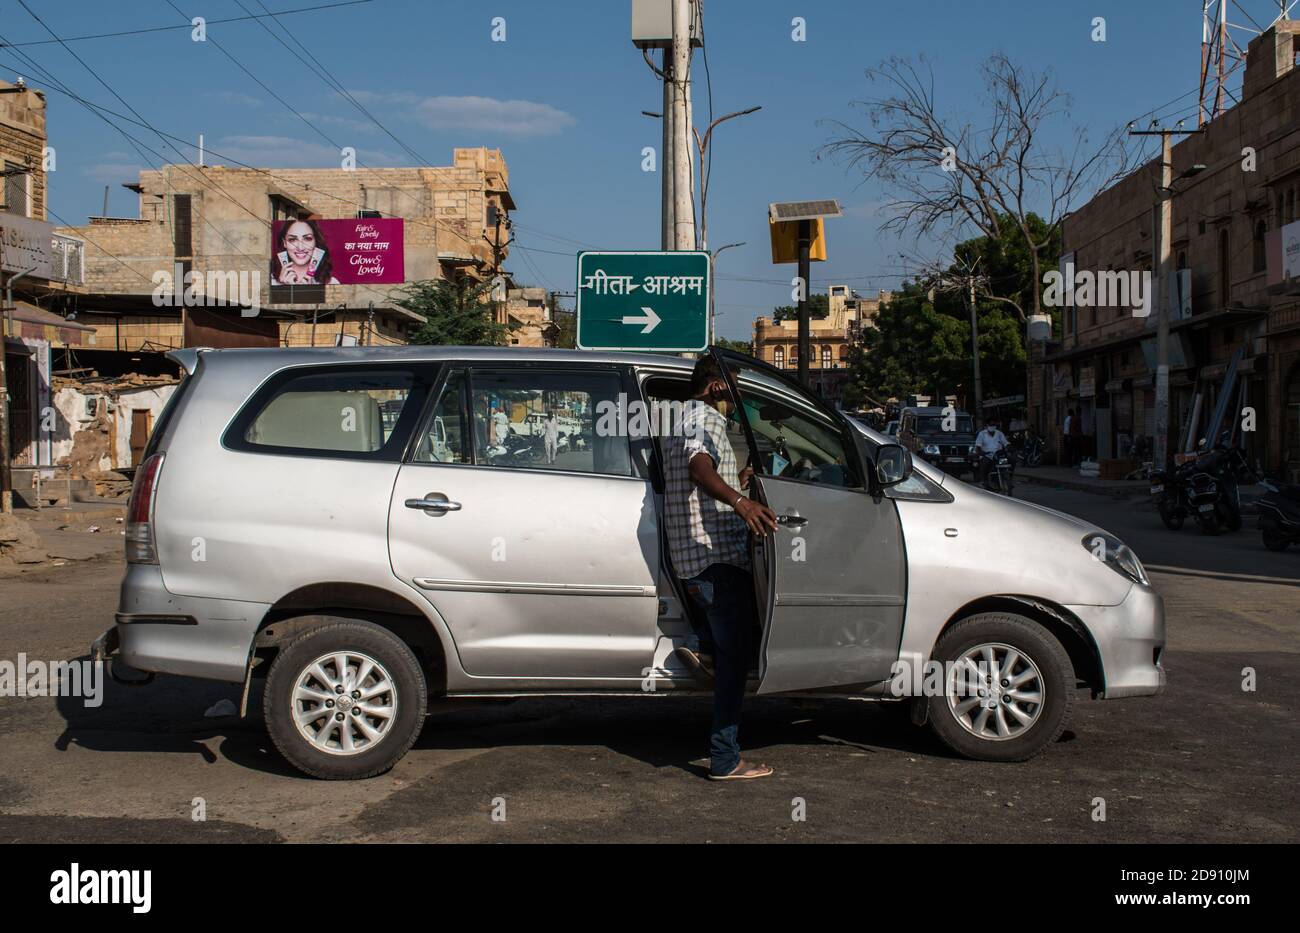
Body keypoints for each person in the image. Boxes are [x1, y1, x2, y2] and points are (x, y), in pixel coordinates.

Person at [664, 356, 779, 781]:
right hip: (714, 559)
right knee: (737, 662)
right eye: (734, 387)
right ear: (715, 387)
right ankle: (725, 757)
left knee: (729, 648)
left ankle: (703, 645)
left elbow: (704, 470)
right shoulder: (704, 418)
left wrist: (740, 480)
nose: (739, 395)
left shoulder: (683, 416)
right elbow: (698, 466)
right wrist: (741, 502)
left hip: (694, 560)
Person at [273, 218, 340, 285]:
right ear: (284, 243)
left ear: (315, 241)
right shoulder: (271, 281)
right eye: (292, 239)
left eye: (307, 238)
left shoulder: (332, 283)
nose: (300, 247)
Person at [975, 418, 1009, 488]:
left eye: (994, 424)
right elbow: (978, 446)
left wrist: (1009, 448)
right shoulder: (982, 434)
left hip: (998, 456)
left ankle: (1008, 480)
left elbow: (1006, 443)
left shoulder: (999, 433)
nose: (993, 426)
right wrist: (982, 452)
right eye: (991, 424)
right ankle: (984, 481)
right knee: (985, 464)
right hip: (987, 456)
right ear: (987, 425)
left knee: (1010, 462)